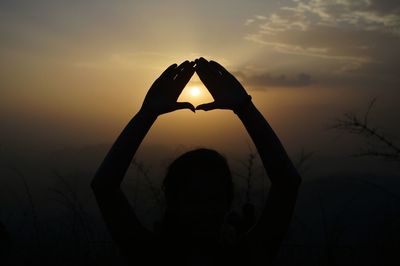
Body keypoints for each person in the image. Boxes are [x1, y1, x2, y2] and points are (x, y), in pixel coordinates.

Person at [91, 58, 301, 265]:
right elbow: (104, 187)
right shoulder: (151, 256)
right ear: (173, 203)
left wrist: (245, 107)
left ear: (226, 204)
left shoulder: (242, 258)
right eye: (193, 198)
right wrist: (147, 113)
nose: (204, 210)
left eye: (213, 199)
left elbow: (287, 185)